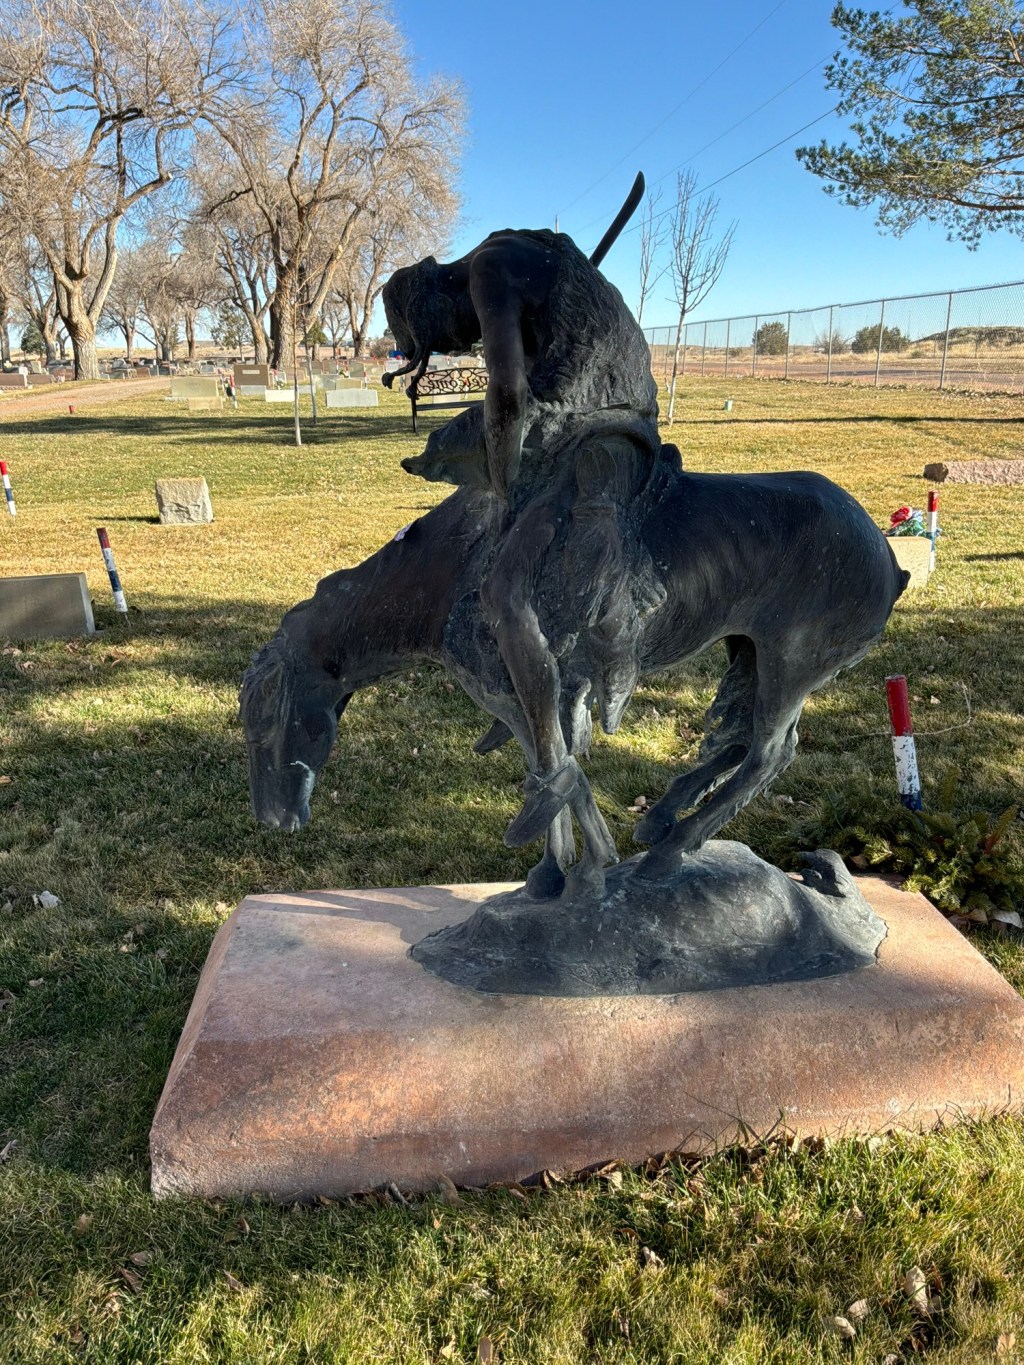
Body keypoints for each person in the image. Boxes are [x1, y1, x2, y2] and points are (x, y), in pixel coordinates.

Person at [383, 227, 661, 845]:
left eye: (453, 340)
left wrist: (510, 488)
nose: (466, 342)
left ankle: (564, 741)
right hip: (573, 417)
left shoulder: (489, 271)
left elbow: (506, 391)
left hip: (604, 429)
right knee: (475, 519)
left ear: (436, 302)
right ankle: (526, 682)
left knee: (508, 588)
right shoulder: (516, 253)